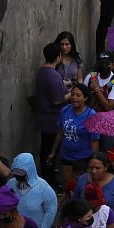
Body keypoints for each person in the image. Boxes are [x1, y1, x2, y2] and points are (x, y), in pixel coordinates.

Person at [48, 83, 99, 186]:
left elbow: (94, 141)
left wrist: (95, 161)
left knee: (81, 187)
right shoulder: (65, 110)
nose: (74, 98)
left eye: (78, 95)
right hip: (66, 156)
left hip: (83, 159)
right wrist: (53, 152)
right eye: (72, 94)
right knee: (68, 186)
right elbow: (60, 133)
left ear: (85, 98)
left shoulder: (91, 115)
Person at [34, 42, 70, 185]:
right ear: (58, 57)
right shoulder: (53, 75)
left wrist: (63, 85)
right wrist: (72, 94)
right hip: (52, 120)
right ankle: (49, 180)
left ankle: (47, 178)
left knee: (45, 149)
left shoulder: (42, 72)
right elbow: (57, 100)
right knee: (50, 151)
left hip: (43, 117)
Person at [75, 152, 114, 226]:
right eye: (91, 168)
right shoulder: (82, 180)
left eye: (97, 168)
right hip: (83, 227)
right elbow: (75, 203)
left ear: (106, 167)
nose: (93, 171)